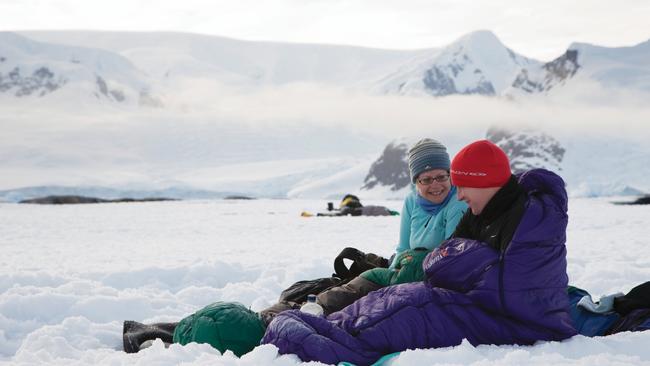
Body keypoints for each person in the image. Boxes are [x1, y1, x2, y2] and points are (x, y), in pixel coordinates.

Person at [261, 140, 577, 365]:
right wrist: (458, 261)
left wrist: (462, 261)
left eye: (460, 184)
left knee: (411, 308)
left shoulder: (530, 218)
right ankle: (317, 321)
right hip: (480, 303)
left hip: (521, 322)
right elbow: (449, 260)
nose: (460, 194)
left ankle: (322, 335)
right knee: (400, 297)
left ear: (485, 182)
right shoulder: (489, 210)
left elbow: (508, 284)